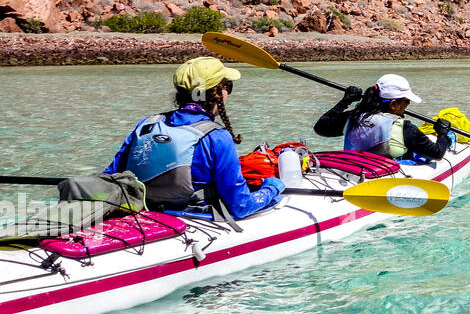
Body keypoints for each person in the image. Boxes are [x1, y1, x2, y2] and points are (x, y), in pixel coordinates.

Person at [103, 57, 283, 218]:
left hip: (144, 211)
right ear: (218, 93)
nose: (228, 91)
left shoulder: (147, 124)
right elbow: (241, 206)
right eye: (227, 86)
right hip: (194, 218)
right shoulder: (218, 137)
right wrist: (271, 187)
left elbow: (110, 175)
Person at [314, 74, 452, 162]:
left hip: (353, 171)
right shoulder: (405, 128)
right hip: (383, 177)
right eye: (406, 101)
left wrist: (345, 101)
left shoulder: (354, 117)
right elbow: (437, 153)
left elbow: (320, 128)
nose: (408, 104)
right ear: (393, 104)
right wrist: (442, 133)